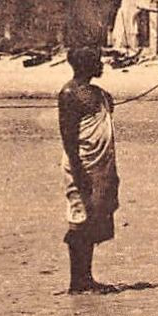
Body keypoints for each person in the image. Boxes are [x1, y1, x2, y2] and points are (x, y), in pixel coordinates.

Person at [58, 47, 120, 294]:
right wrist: (79, 171)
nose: (102, 64)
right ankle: (77, 282)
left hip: (101, 165)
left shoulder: (98, 93)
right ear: (84, 65)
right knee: (80, 217)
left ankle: (87, 277)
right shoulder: (69, 93)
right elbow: (68, 137)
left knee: (94, 216)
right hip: (82, 164)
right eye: (97, 61)